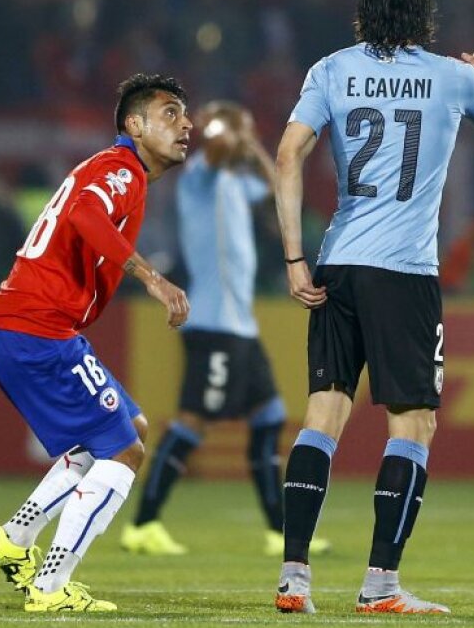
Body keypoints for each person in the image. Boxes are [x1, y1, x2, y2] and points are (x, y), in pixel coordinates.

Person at [272, 0, 474, 615]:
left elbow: (289, 152)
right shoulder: (449, 77)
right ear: (423, 11)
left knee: (323, 415)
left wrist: (295, 257)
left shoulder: (331, 69)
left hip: (338, 262)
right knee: (414, 422)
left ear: (364, 9)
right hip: (404, 271)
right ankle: (380, 583)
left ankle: (294, 576)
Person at [0, 74, 192, 612]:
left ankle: (15, 537)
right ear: (134, 125)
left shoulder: (114, 169)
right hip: (36, 329)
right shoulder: (121, 169)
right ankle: (50, 586)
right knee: (124, 448)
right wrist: (150, 276)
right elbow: (84, 216)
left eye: (185, 115)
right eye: (170, 113)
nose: (186, 124)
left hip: (24, 326)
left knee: (128, 427)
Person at [119, 101, 328, 558]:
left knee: (270, 418)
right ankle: (144, 523)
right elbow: (215, 146)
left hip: (242, 328)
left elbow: (279, 189)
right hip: (212, 325)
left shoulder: (236, 181)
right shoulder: (199, 175)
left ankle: (279, 530)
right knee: (193, 421)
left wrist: (251, 142)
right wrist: (231, 130)